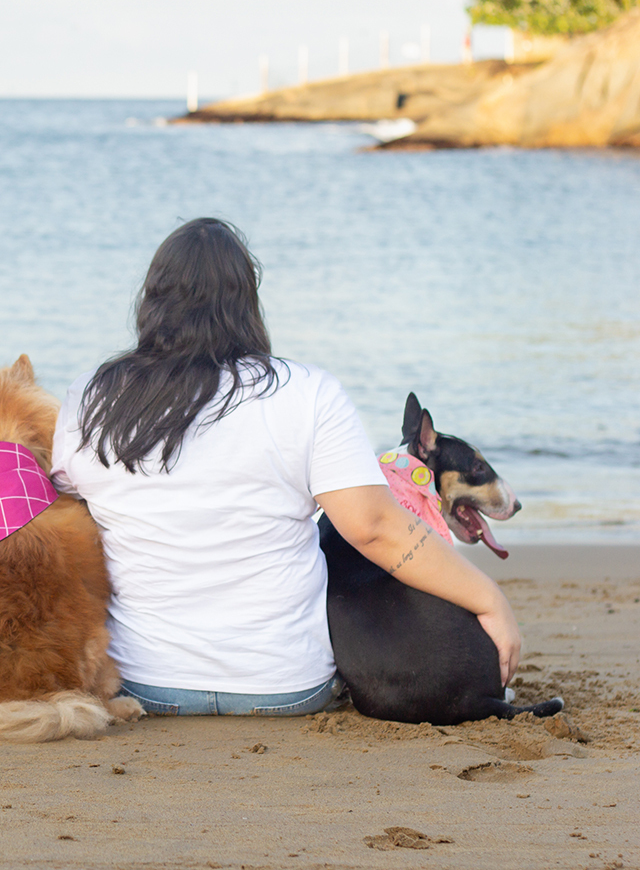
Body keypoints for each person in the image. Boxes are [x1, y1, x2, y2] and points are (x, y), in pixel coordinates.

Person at [49, 218, 520, 717]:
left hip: (141, 684)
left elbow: (66, 522)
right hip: (285, 687)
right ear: (248, 301)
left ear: (151, 302)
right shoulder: (308, 393)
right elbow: (376, 528)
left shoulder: (92, 398)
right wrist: (490, 599)